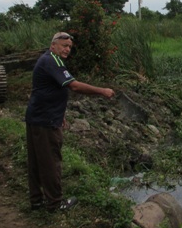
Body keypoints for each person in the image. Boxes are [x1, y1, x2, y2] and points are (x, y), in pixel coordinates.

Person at [25, 32, 115, 212]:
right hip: (46, 120)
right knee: (50, 162)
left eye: (69, 47)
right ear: (53, 45)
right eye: (63, 45)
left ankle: (36, 201)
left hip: (37, 117)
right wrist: (102, 91)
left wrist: (61, 114)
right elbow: (73, 85)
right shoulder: (53, 61)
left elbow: (49, 90)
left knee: (36, 161)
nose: (67, 49)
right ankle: (55, 203)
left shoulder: (46, 60)